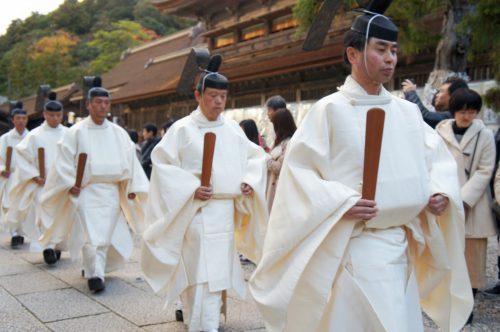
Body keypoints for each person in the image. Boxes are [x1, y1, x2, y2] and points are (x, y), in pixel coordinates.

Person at [249, 8, 473, 332]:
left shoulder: (408, 113)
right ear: (352, 53)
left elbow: (435, 161)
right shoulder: (328, 111)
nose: (390, 58)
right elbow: (299, 176)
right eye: (381, 49)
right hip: (353, 243)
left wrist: (439, 192)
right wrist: (340, 200)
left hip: (400, 241)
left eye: (393, 51)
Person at [141, 54, 268, 332]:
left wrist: (248, 180)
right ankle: (201, 323)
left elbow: (256, 157)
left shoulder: (232, 129)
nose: (219, 102)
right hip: (195, 209)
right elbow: (163, 165)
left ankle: (200, 321)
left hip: (223, 211)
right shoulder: (183, 129)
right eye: (213, 95)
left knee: (214, 272)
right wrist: (190, 188)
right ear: (198, 95)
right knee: (200, 271)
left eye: (223, 96)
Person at [39, 84, 149, 293]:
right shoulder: (76, 132)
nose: (103, 106)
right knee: (91, 234)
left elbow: (131, 163)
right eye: (98, 102)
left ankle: (95, 267)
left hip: (112, 191)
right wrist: (71, 183)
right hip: (87, 190)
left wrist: (132, 186)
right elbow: (62, 162)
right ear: (88, 105)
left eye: (106, 102)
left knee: (105, 234)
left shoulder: (118, 133)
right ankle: (95, 275)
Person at [435, 88, 497, 322]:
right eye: (462, 111)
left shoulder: (485, 135)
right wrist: (444, 195)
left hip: (474, 205)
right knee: (446, 254)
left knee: (472, 259)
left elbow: (484, 170)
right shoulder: (440, 133)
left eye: (471, 111)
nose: (467, 116)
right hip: (445, 201)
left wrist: (462, 198)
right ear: (453, 111)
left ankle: (468, 307)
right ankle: (447, 301)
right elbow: (433, 163)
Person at [4, 93, 67, 262]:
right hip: (42, 182)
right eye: (51, 115)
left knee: (61, 214)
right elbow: (22, 156)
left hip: (62, 182)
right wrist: (33, 175)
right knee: (43, 213)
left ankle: (56, 245)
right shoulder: (35, 135)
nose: (55, 118)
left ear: (62, 115)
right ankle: (47, 247)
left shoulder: (69, 134)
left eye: (58, 115)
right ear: (45, 115)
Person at [0, 102, 29, 247]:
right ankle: (14, 234)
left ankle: (21, 232)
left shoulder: (31, 137)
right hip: (11, 176)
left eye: (23, 118)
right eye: (18, 118)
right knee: (10, 204)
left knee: (25, 205)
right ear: (13, 120)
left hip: (26, 178)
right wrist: (3, 169)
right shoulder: (5, 139)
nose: (21, 121)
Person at [402, 77, 468, 128]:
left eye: (441, 91)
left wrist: (410, 93)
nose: (437, 95)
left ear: (453, 96)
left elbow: (426, 117)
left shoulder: (453, 117)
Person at [266, 109, 296, 211]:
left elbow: (279, 167)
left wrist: (265, 159)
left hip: (280, 188)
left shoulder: (289, 143)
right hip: (273, 185)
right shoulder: (280, 142)